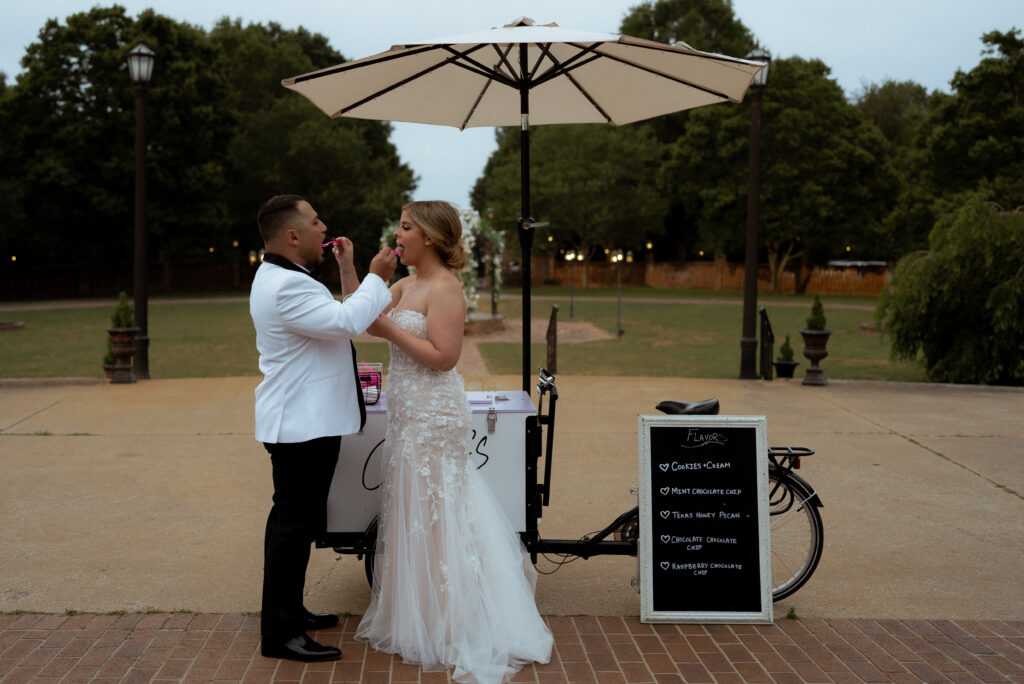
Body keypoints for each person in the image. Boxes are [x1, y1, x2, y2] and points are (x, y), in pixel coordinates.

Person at [356, 201, 552, 683]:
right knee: (414, 511)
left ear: (429, 236)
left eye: (405, 228)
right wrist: (354, 271)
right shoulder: (403, 284)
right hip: (406, 414)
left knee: (440, 514)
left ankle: (451, 621)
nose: (397, 235)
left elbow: (444, 357)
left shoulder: (444, 288)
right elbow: (360, 318)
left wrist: (386, 330)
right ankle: (417, 613)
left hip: (433, 411)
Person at [250, 194, 396, 662]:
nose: (323, 226)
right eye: (315, 222)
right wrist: (377, 275)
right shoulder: (285, 286)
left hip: (305, 422)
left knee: (298, 522)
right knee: (292, 528)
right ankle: (280, 634)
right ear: (292, 236)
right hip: (299, 425)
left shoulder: (287, 277)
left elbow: (338, 319)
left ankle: (291, 611)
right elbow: (349, 321)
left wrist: (349, 266)